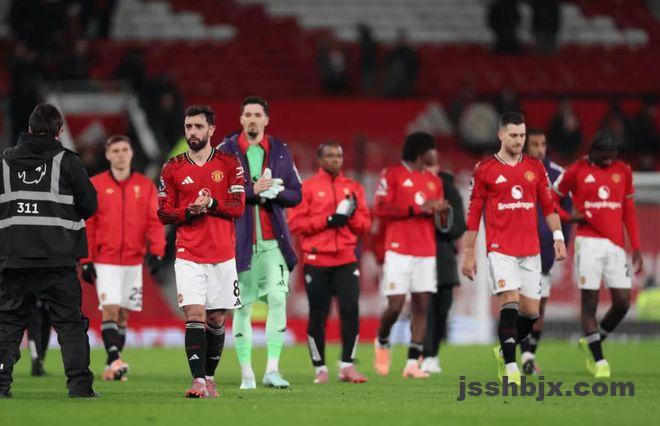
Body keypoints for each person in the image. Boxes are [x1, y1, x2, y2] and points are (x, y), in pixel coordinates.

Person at [0, 103, 98, 398]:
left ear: (29, 128)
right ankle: (79, 387)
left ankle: (1, 384)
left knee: (8, 323)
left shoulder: (4, 162)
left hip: (13, 258)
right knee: (69, 324)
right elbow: (89, 205)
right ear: (59, 131)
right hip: (58, 259)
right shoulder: (67, 162)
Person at [462, 112, 566, 385]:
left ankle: (504, 349)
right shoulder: (485, 169)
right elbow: (473, 214)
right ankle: (510, 367)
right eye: (513, 135)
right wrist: (469, 253)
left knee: (531, 313)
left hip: (530, 250)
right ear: (501, 135)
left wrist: (558, 237)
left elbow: (549, 206)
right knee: (509, 301)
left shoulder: (535, 167)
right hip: (500, 249)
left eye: (522, 135)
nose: (519, 141)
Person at [157, 105, 246, 398]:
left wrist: (211, 204)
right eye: (188, 127)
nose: (192, 132)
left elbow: (238, 207)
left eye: (198, 126)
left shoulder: (229, 164)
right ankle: (197, 382)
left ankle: (209, 378)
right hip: (189, 253)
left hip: (222, 253)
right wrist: (189, 212)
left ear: (211, 130)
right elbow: (164, 213)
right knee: (194, 314)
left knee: (216, 319)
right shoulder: (172, 168)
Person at [217, 96, 302, 389]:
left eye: (257, 115)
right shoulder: (225, 151)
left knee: (278, 298)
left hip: (272, 242)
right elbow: (220, 193)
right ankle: (247, 374)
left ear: (266, 120)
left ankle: (272, 370)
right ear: (241, 119)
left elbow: (296, 193)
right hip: (240, 243)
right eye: (247, 114)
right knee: (242, 307)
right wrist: (253, 191)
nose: (252, 119)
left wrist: (276, 192)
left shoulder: (280, 150)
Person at [553, 133, 643, 379]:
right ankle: (598, 359)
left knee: (623, 302)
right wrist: (568, 218)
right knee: (590, 303)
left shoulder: (623, 170)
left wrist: (636, 247)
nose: (608, 161)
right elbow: (551, 197)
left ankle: (593, 340)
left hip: (616, 246)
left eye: (612, 157)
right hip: (588, 243)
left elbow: (628, 210)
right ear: (592, 151)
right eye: (603, 157)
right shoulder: (576, 170)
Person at [81, 135, 166, 382]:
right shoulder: (95, 185)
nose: (120, 154)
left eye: (124, 150)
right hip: (105, 260)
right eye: (115, 150)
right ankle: (114, 359)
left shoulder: (145, 186)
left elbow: (154, 222)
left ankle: (112, 365)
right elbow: (89, 224)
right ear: (108, 155)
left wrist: (157, 251)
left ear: (131, 153)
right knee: (110, 309)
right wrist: (86, 259)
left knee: (123, 316)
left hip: (133, 261)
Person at [288, 141, 371, 384]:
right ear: (320, 159)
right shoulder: (307, 188)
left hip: (346, 258)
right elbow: (295, 223)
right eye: (330, 155)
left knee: (350, 310)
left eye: (339, 155)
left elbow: (365, 225)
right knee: (318, 314)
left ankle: (347, 366)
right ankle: (320, 368)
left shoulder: (353, 188)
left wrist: (349, 217)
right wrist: (327, 220)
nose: (335, 159)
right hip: (317, 260)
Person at [372, 132, 450, 379]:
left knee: (421, 305)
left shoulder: (434, 181)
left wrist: (443, 213)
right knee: (395, 306)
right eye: (432, 149)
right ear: (421, 152)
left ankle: (412, 362)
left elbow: (441, 223)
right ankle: (382, 340)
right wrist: (417, 208)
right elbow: (381, 208)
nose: (436, 154)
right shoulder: (392, 174)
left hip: (425, 251)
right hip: (398, 249)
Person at [519, 128, 573, 375]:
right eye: (535, 144)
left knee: (539, 308)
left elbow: (567, 213)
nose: (540, 149)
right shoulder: (516, 170)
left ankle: (529, 355)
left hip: (545, 254)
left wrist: (563, 242)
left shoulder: (559, 175)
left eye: (543, 144)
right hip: (518, 249)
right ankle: (518, 356)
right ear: (526, 145)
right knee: (519, 305)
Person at [420, 167, 466, 374]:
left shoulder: (448, 190)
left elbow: (460, 226)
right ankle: (425, 353)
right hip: (420, 255)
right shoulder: (416, 189)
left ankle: (433, 353)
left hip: (444, 258)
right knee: (425, 308)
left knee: (442, 309)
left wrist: (444, 224)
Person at [26, 300, 52, 376]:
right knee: (35, 331)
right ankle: (36, 361)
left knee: (44, 332)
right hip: (34, 302)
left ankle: (39, 362)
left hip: (46, 303)